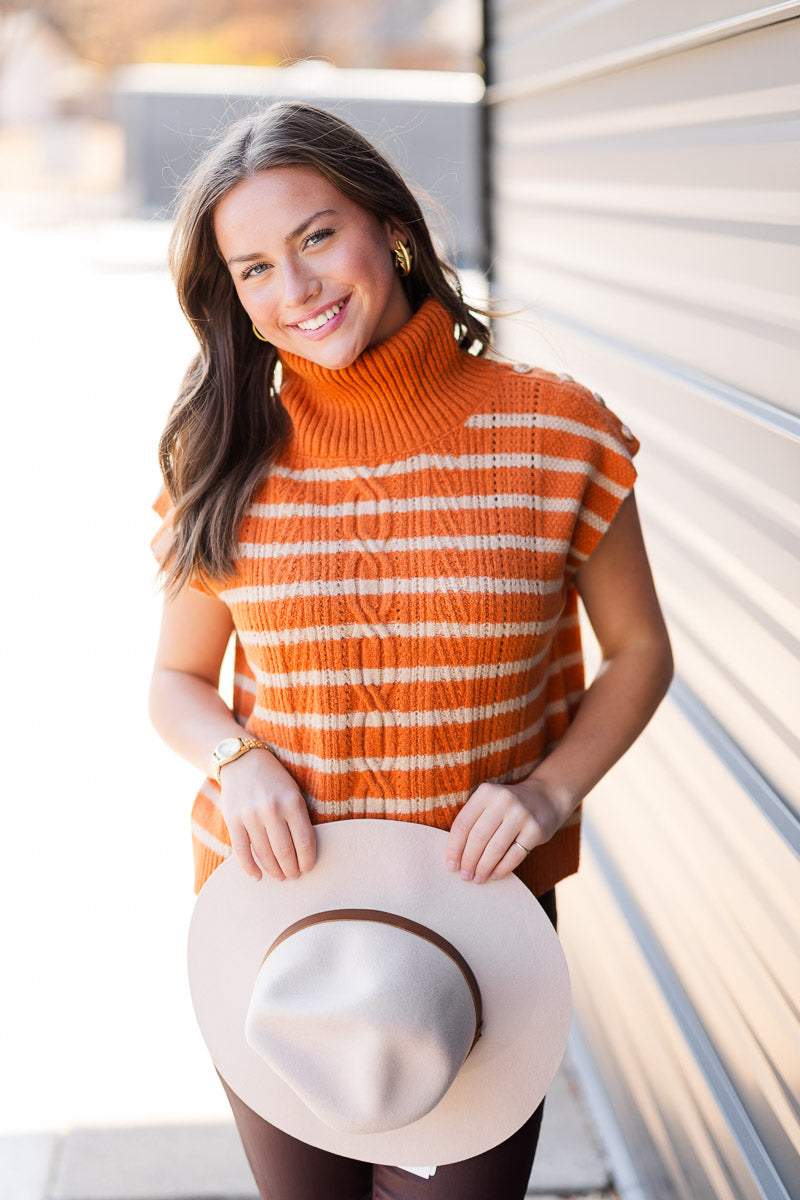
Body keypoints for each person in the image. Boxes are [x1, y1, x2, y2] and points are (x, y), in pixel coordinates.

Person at [149, 100, 673, 1200]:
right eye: (251, 270)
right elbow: (178, 683)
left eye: (315, 237)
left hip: (473, 919)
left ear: (388, 227)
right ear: (231, 300)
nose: (295, 292)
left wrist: (546, 795)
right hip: (272, 920)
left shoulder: (555, 429)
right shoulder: (225, 450)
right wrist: (233, 764)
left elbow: (635, 653)